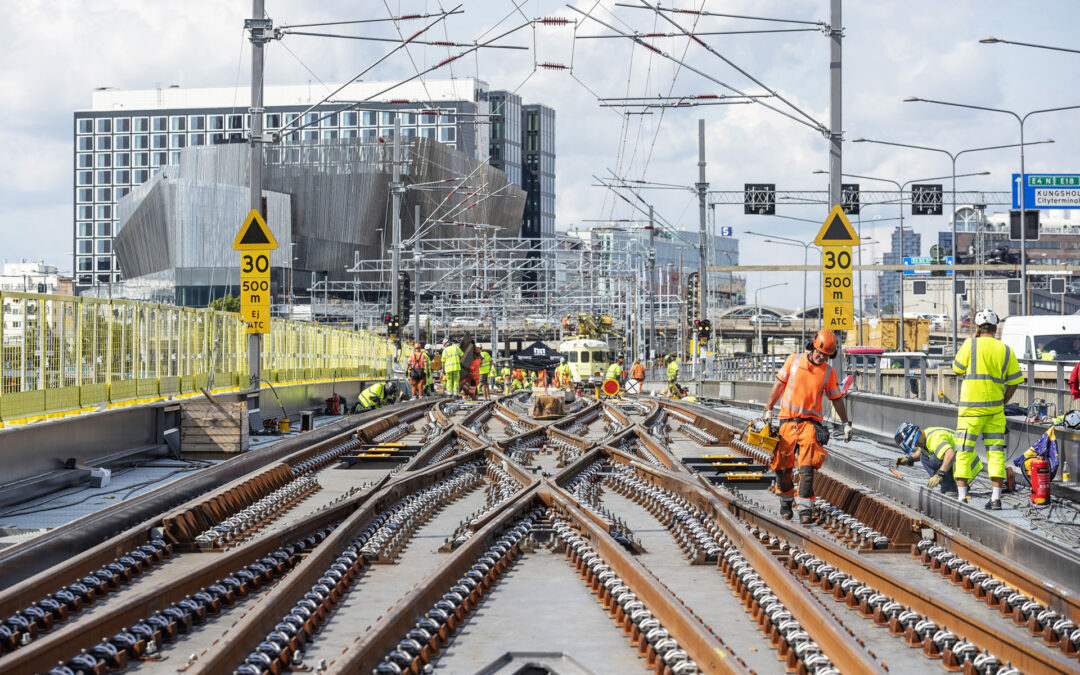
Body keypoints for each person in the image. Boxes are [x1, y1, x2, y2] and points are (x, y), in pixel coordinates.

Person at [763, 330, 853, 523]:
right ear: (812, 346)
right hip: (787, 422)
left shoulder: (829, 372)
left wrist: (846, 423)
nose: (821, 357)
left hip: (809, 425)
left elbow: (837, 400)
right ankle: (786, 503)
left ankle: (805, 511)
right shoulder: (793, 361)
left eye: (826, 355)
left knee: (807, 468)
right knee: (782, 468)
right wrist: (768, 408)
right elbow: (778, 386)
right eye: (819, 353)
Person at [951, 309, 1024, 510]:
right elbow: (1015, 381)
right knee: (995, 453)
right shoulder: (1005, 350)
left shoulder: (970, 344)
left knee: (964, 452)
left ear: (977, 328)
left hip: (970, 412)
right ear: (995, 328)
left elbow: (956, 369)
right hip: (994, 412)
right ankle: (996, 498)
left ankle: (962, 498)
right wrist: (1002, 401)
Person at [894, 422, 983, 496]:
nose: (917, 445)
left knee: (933, 459)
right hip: (960, 464)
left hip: (968, 465)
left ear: (917, 434)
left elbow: (950, 454)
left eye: (916, 443)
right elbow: (921, 452)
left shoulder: (935, 438)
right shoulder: (925, 437)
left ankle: (952, 489)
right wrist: (908, 459)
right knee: (923, 456)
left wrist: (939, 474)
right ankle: (952, 487)